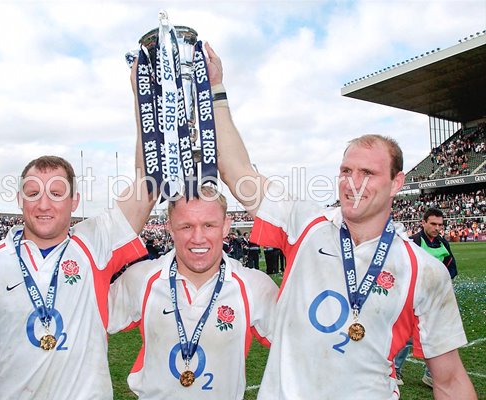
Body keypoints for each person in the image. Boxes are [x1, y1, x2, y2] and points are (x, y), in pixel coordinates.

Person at [204, 44, 477, 399]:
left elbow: (451, 379)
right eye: (346, 170)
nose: (353, 182)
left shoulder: (423, 271)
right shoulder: (304, 223)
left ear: (397, 182)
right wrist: (217, 90)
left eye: (368, 172)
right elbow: (236, 170)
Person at [0, 154, 156, 399]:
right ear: (19, 199)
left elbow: (147, 183)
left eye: (56, 194)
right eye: (33, 193)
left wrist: (144, 114)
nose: (43, 204)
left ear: (74, 201)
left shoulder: (95, 243)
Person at [107, 186, 277, 399]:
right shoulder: (141, 278)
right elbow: (88, 321)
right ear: (170, 227)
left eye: (209, 225)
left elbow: (298, 346)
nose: (198, 238)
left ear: (225, 227)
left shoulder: (255, 286)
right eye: (186, 226)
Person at [395, 207, 458, 387]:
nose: (437, 228)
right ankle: (395, 370)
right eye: (433, 224)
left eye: (440, 224)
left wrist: (442, 280)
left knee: (435, 334)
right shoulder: (413, 242)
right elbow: (402, 267)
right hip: (414, 297)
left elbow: (452, 267)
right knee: (407, 336)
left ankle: (430, 374)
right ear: (423, 223)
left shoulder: (443, 243)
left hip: (435, 297)